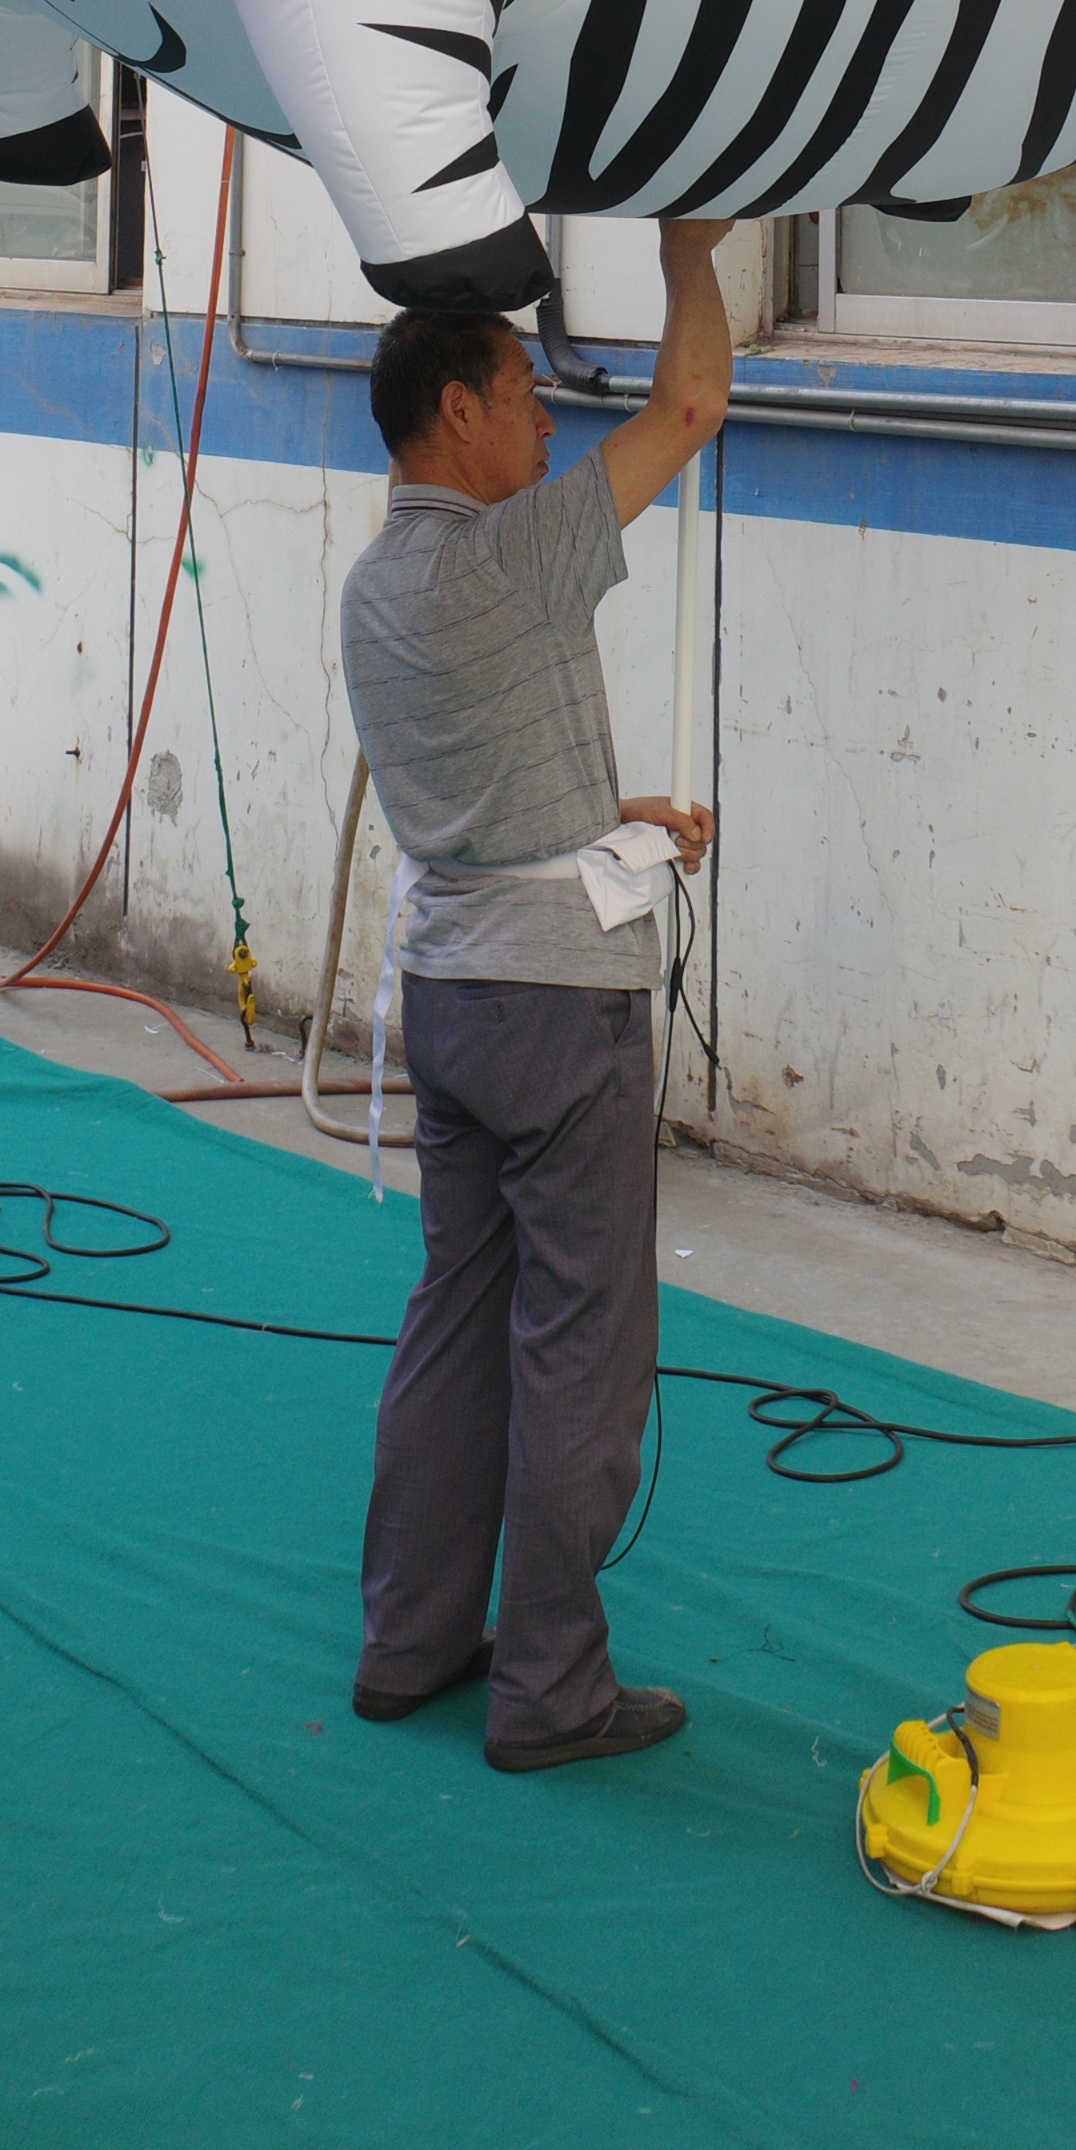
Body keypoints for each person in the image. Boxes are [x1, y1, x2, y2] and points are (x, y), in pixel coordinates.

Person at [341, 219, 731, 1772]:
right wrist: (690, 257)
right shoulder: (516, 558)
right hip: (560, 1008)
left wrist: (614, 815)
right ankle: (553, 1687)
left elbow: (479, 799)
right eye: (522, 390)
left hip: (449, 997)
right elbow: (691, 407)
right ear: (458, 412)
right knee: (579, 1341)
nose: (547, 417)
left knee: (456, 1319)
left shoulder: (377, 585)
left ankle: (411, 1641)